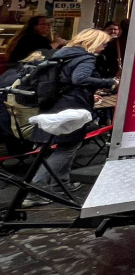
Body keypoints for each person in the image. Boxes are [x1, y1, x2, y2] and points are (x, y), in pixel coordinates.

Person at [23, 29, 118, 206]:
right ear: (93, 42)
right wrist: (109, 82)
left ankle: (60, 185)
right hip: (72, 107)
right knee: (67, 147)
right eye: (103, 44)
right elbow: (80, 79)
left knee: (57, 147)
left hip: (53, 103)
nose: (104, 48)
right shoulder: (86, 58)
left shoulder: (62, 53)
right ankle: (36, 190)